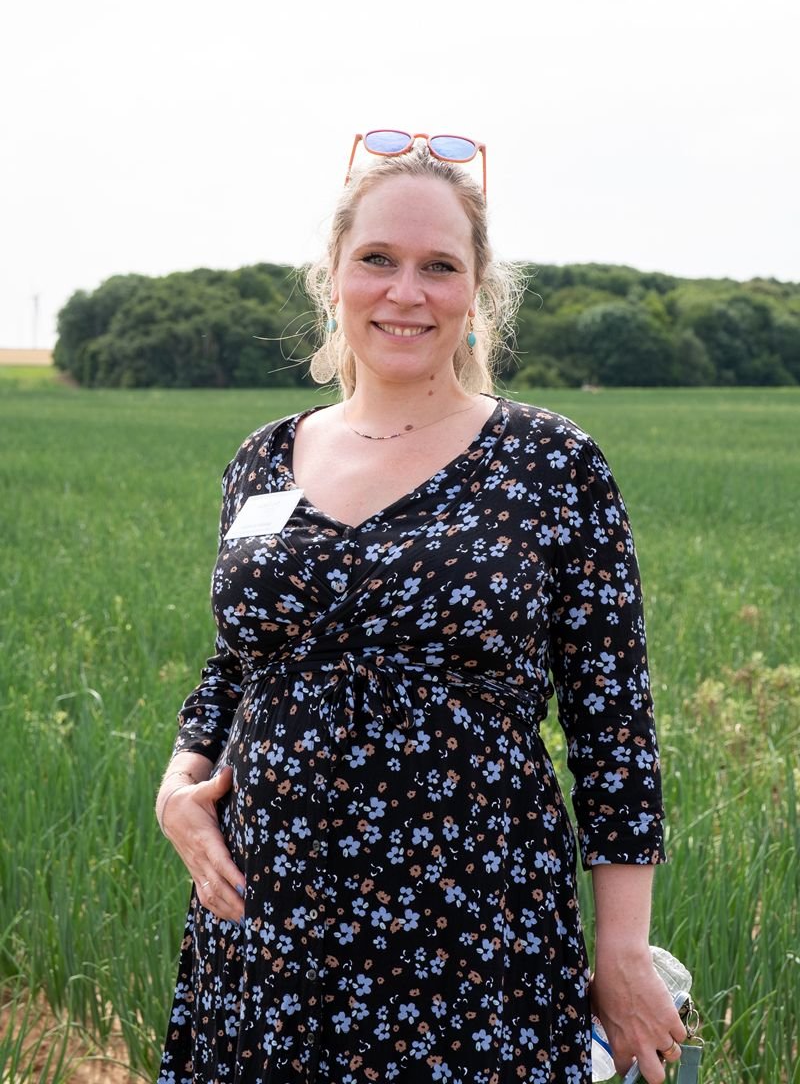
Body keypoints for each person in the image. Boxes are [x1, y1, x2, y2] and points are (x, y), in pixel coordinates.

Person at [155, 132, 686, 1084]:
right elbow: (237, 664)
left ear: (477, 291)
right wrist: (178, 782)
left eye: (439, 266)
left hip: (472, 929)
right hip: (268, 921)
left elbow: (614, 725)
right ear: (333, 277)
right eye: (378, 259)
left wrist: (621, 949)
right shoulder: (261, 461)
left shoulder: (550, 464)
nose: (406, 292)